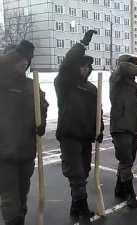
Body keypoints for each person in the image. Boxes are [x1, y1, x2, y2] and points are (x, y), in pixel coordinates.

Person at [54, 30, 104, 221]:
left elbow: (97, 111)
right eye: (82, 65)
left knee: (84, 172)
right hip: (70, 135)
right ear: (76, 67)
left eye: (88, 66)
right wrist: (83, 44)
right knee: (76, 174)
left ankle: (75, 207)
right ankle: (82, 207)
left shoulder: (92, 88)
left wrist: (99, 129)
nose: (86, 69)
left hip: (86, 136)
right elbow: (67, 63)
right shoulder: (65, 83)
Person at [0, 40, 48, 225]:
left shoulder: (31, 85)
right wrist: (18, 53)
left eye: (27, 60)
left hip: (26, 151)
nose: (24, 63)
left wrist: (41, 122)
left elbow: (42, 106)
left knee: (22, 195)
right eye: (20, 59)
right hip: (4, 153)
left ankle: (19, 219)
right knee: (10, 197)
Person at [110, 55, 137, 208]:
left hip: (133, 128)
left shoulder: (136, 87)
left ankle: (119, 187)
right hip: (121, 127)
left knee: (128, 159)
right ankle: (128, 191)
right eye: (133, 66)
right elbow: (123, 67)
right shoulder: (116, 80)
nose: (134, 69)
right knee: (126, 160)